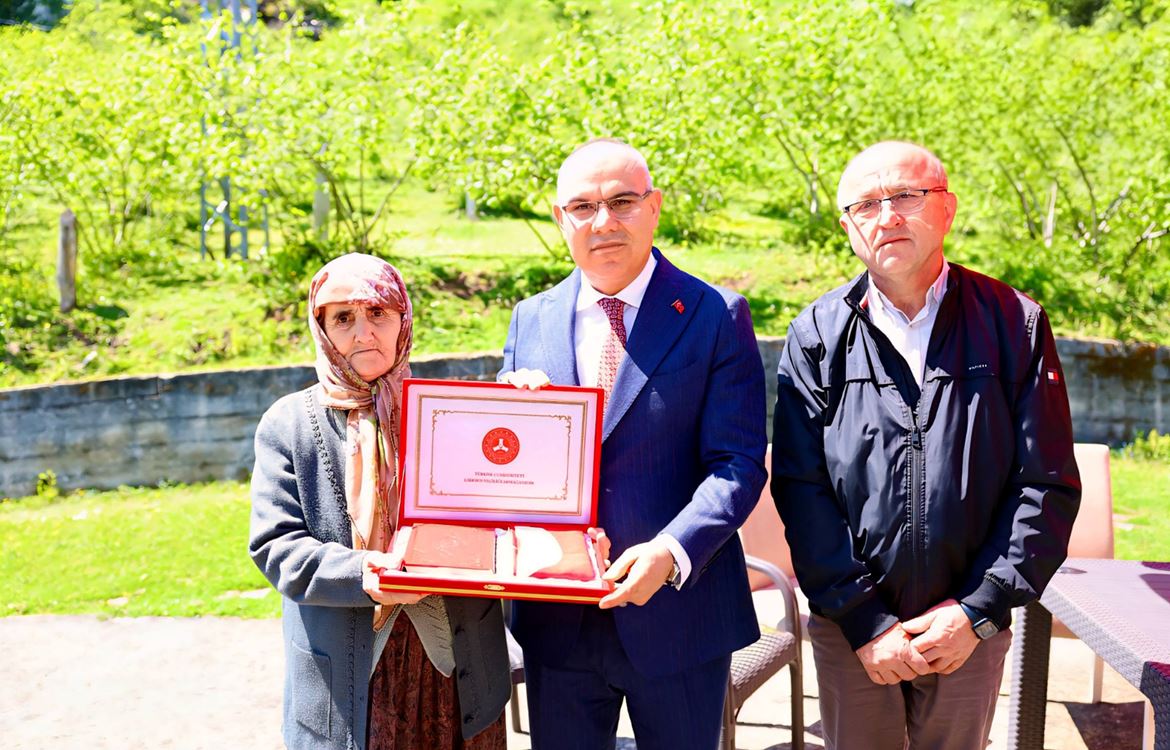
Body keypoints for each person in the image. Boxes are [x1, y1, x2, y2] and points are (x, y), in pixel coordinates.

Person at [771, 141, 1082, 749]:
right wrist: (864, 620)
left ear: (947, 208)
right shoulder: (816, 334)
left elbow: (1045, 483)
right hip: (852, 631)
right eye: (865, 205)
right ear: (847, 227)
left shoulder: (1013, 322)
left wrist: (978, 608)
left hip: (966, 631)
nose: (886, 216)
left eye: (906, 196)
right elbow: (801, 489)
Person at [500, 138, 767, 749]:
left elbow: (737, 465)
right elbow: (511, 466)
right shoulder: (529, 318)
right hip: (558, 621)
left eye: (622, 202)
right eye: (583, 207)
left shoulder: (714, 314)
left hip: (679, 614)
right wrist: (513, 415)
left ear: (654, 206)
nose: (603, 222)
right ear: (559, 218)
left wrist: (671, 552)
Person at [248, 253, 510, 750]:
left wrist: (526, 412)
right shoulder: (289, 425)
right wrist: (365, 574)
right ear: (322, 328)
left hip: (458, 675)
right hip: (348, 684)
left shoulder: (452, 413)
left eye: (377, 313)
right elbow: (276, 547)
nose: (363, 332)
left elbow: (509, 509)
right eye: (343, 318)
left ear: (403, 319)